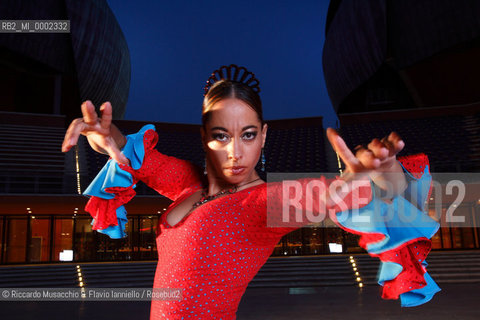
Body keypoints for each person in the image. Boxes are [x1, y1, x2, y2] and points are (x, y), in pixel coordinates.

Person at [62, 64, 441, 319]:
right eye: (220, 136)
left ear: (263, 135)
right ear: (204, 138)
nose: (235, 152)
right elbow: (129, 153)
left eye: (247, 135)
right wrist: (102, 134)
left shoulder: (263, 202)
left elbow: (332, 195)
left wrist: (376, 175)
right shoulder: (187, 184)